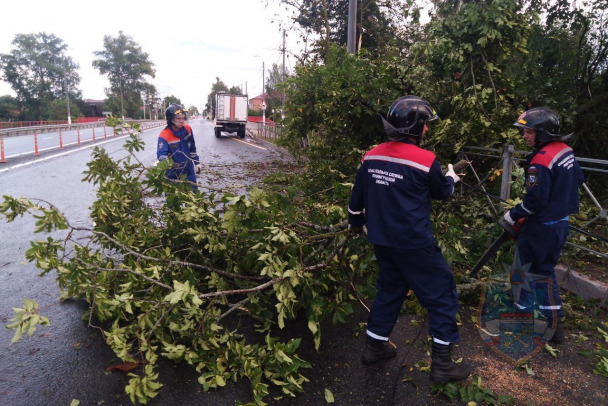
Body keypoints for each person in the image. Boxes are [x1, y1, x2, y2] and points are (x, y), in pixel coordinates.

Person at [348, 95, 472, 383]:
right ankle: (442, 365)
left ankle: (374, 347)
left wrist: (356, 223)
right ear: (416, 126)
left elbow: (356, 200)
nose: (427, 129)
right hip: (415, 244)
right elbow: (441, 193)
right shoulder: (425, 160)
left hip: (382, 242)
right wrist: (451, 179)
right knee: (442, 295)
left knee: (390, 291)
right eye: (426, 124)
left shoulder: (371, 155)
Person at [500, 107, 584, 344]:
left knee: (522, 268)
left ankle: (521, 315)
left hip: (542, 226)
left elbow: (535, 200)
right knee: (545, 271)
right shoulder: (566, 151)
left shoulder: (541, 160)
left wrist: (513, 215)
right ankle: (555, 325)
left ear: (543, 133)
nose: (525, 136)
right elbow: (579, 178)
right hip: (560, 223)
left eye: (529, 131)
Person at [157, 104, 201, 192]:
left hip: (188, 170)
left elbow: (192, 148)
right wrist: (168, 165)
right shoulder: (165, 135)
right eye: (178, 118)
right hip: (172, 173)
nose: (182, 121)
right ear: (171, 119)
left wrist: (196, 162)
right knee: (173, 201)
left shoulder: (188, 129)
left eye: (183, 118)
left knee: (193, 197)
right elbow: (162, 155)